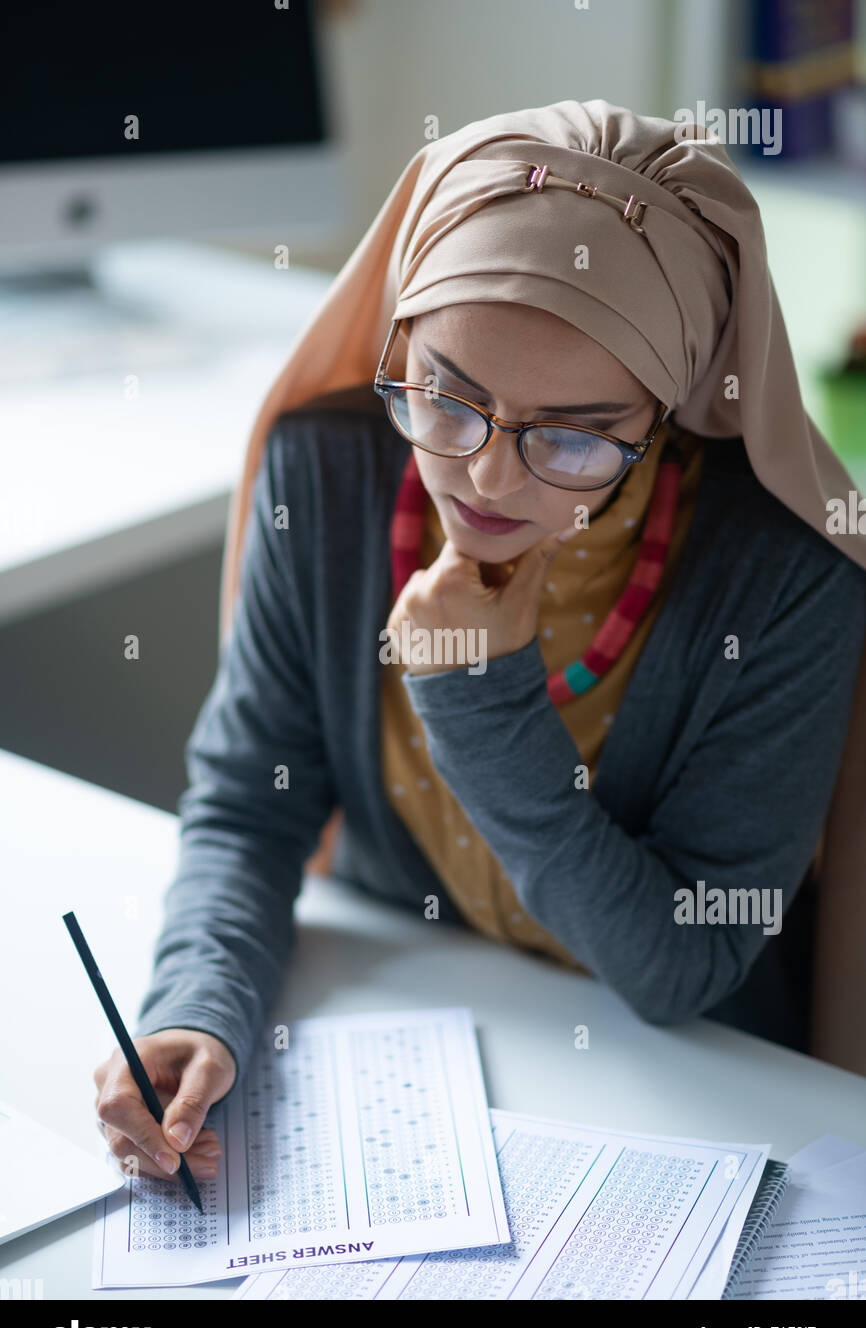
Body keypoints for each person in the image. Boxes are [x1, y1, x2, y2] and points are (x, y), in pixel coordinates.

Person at [93, 99, 866, 1190]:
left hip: (698, 1100)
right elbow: (246, 809)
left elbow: (681, 966)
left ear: (666, 408)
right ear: (399, 339)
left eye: (573, 436)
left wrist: (476, 694)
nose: (488, 479)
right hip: (409, 1042)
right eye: (447, 399)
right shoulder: (321, 479)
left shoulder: (785, 579)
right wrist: (195, 1010)